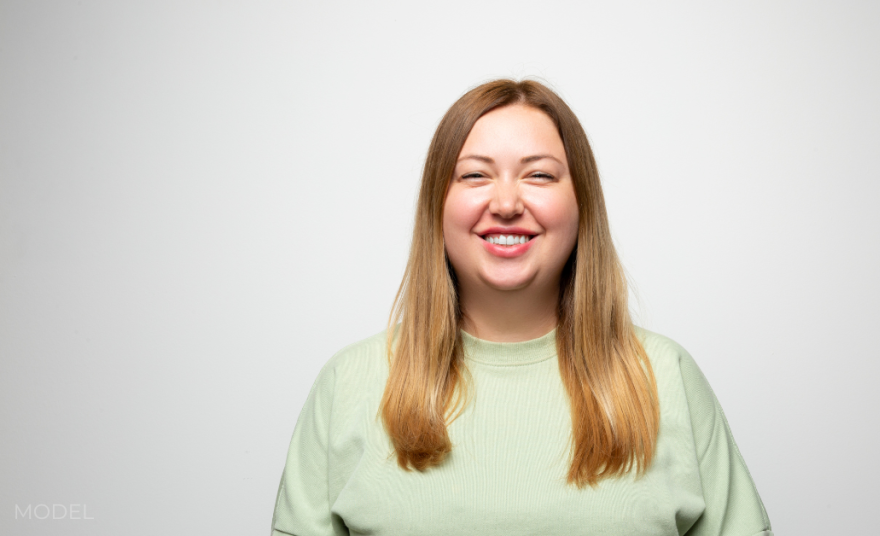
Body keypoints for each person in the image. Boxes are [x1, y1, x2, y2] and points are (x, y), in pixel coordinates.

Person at [270, 79, 772, 536]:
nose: (507, 202)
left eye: (539, 175)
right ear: (436, 205)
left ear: (582, 205)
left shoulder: (666, 377)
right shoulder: (347, 384)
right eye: (474, 176)